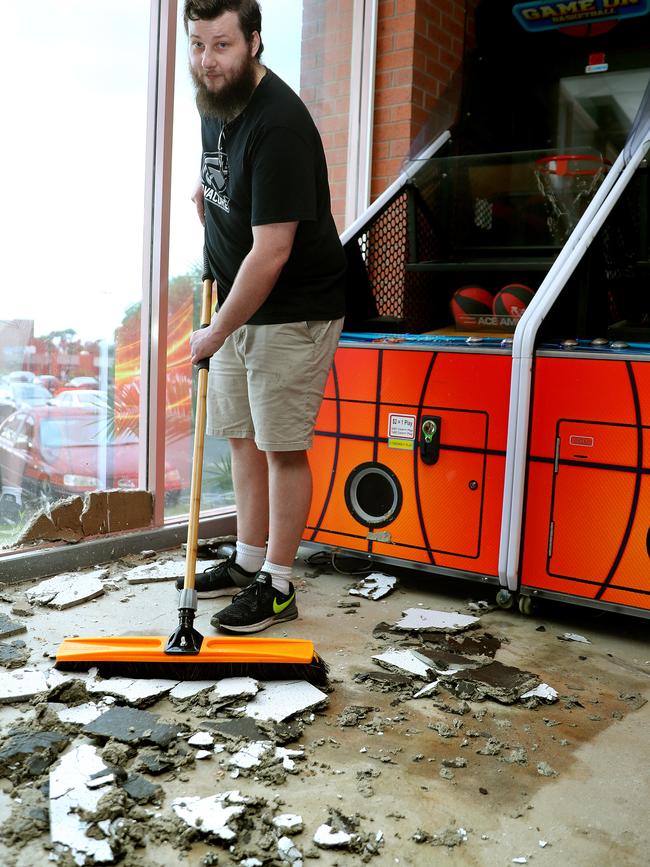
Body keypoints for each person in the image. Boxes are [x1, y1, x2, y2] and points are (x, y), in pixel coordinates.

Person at [176, 0, 347, 634]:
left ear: (253, 42)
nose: (207, 61)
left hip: (292, 309)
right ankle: (248, 562)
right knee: (241, 439)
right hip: (233, 300)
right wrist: (205, 188)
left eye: (221, 46)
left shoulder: (280, 125)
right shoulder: (213, 95)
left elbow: (272, 253)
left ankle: (278, 583)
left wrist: (216, 331)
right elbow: (219, 167)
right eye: (197, 44)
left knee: (280, 448)